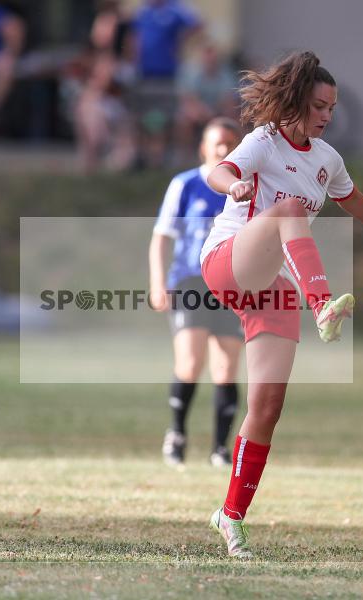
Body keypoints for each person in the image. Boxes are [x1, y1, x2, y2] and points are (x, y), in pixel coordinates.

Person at [200, 51, 363, 558]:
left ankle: (229, 517)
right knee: (289, 208)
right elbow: (217, 172)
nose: (326, 115)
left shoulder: (326, 159)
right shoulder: (263, 142)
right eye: (319, 104)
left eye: (333, 108)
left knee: (267, 407)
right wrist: (237, 185)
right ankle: (322, 304)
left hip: (271, 287)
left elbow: (351, 198)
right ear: (296, 100)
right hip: (229, 261)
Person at [149, 117, 244, 468]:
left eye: (232, 143)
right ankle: (176, 435)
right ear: (203, 147)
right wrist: (158, 282)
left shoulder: (246, 188)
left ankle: (220, 448)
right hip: (191, 281)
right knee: (190, 363)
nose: (224, 149)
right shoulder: (186, 184)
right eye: (218, 143)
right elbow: (161, 237)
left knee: (226, 367)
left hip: (232, 285)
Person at [129, 0, 202, 167]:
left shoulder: (175, 9)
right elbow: (135, 36)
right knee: (141, 117)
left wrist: (180, 44)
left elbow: (197, 25)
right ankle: (142, 156)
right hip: (144, 74)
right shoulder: (143, 11)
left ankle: (163, 158)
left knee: (167, 118)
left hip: (167, 75)